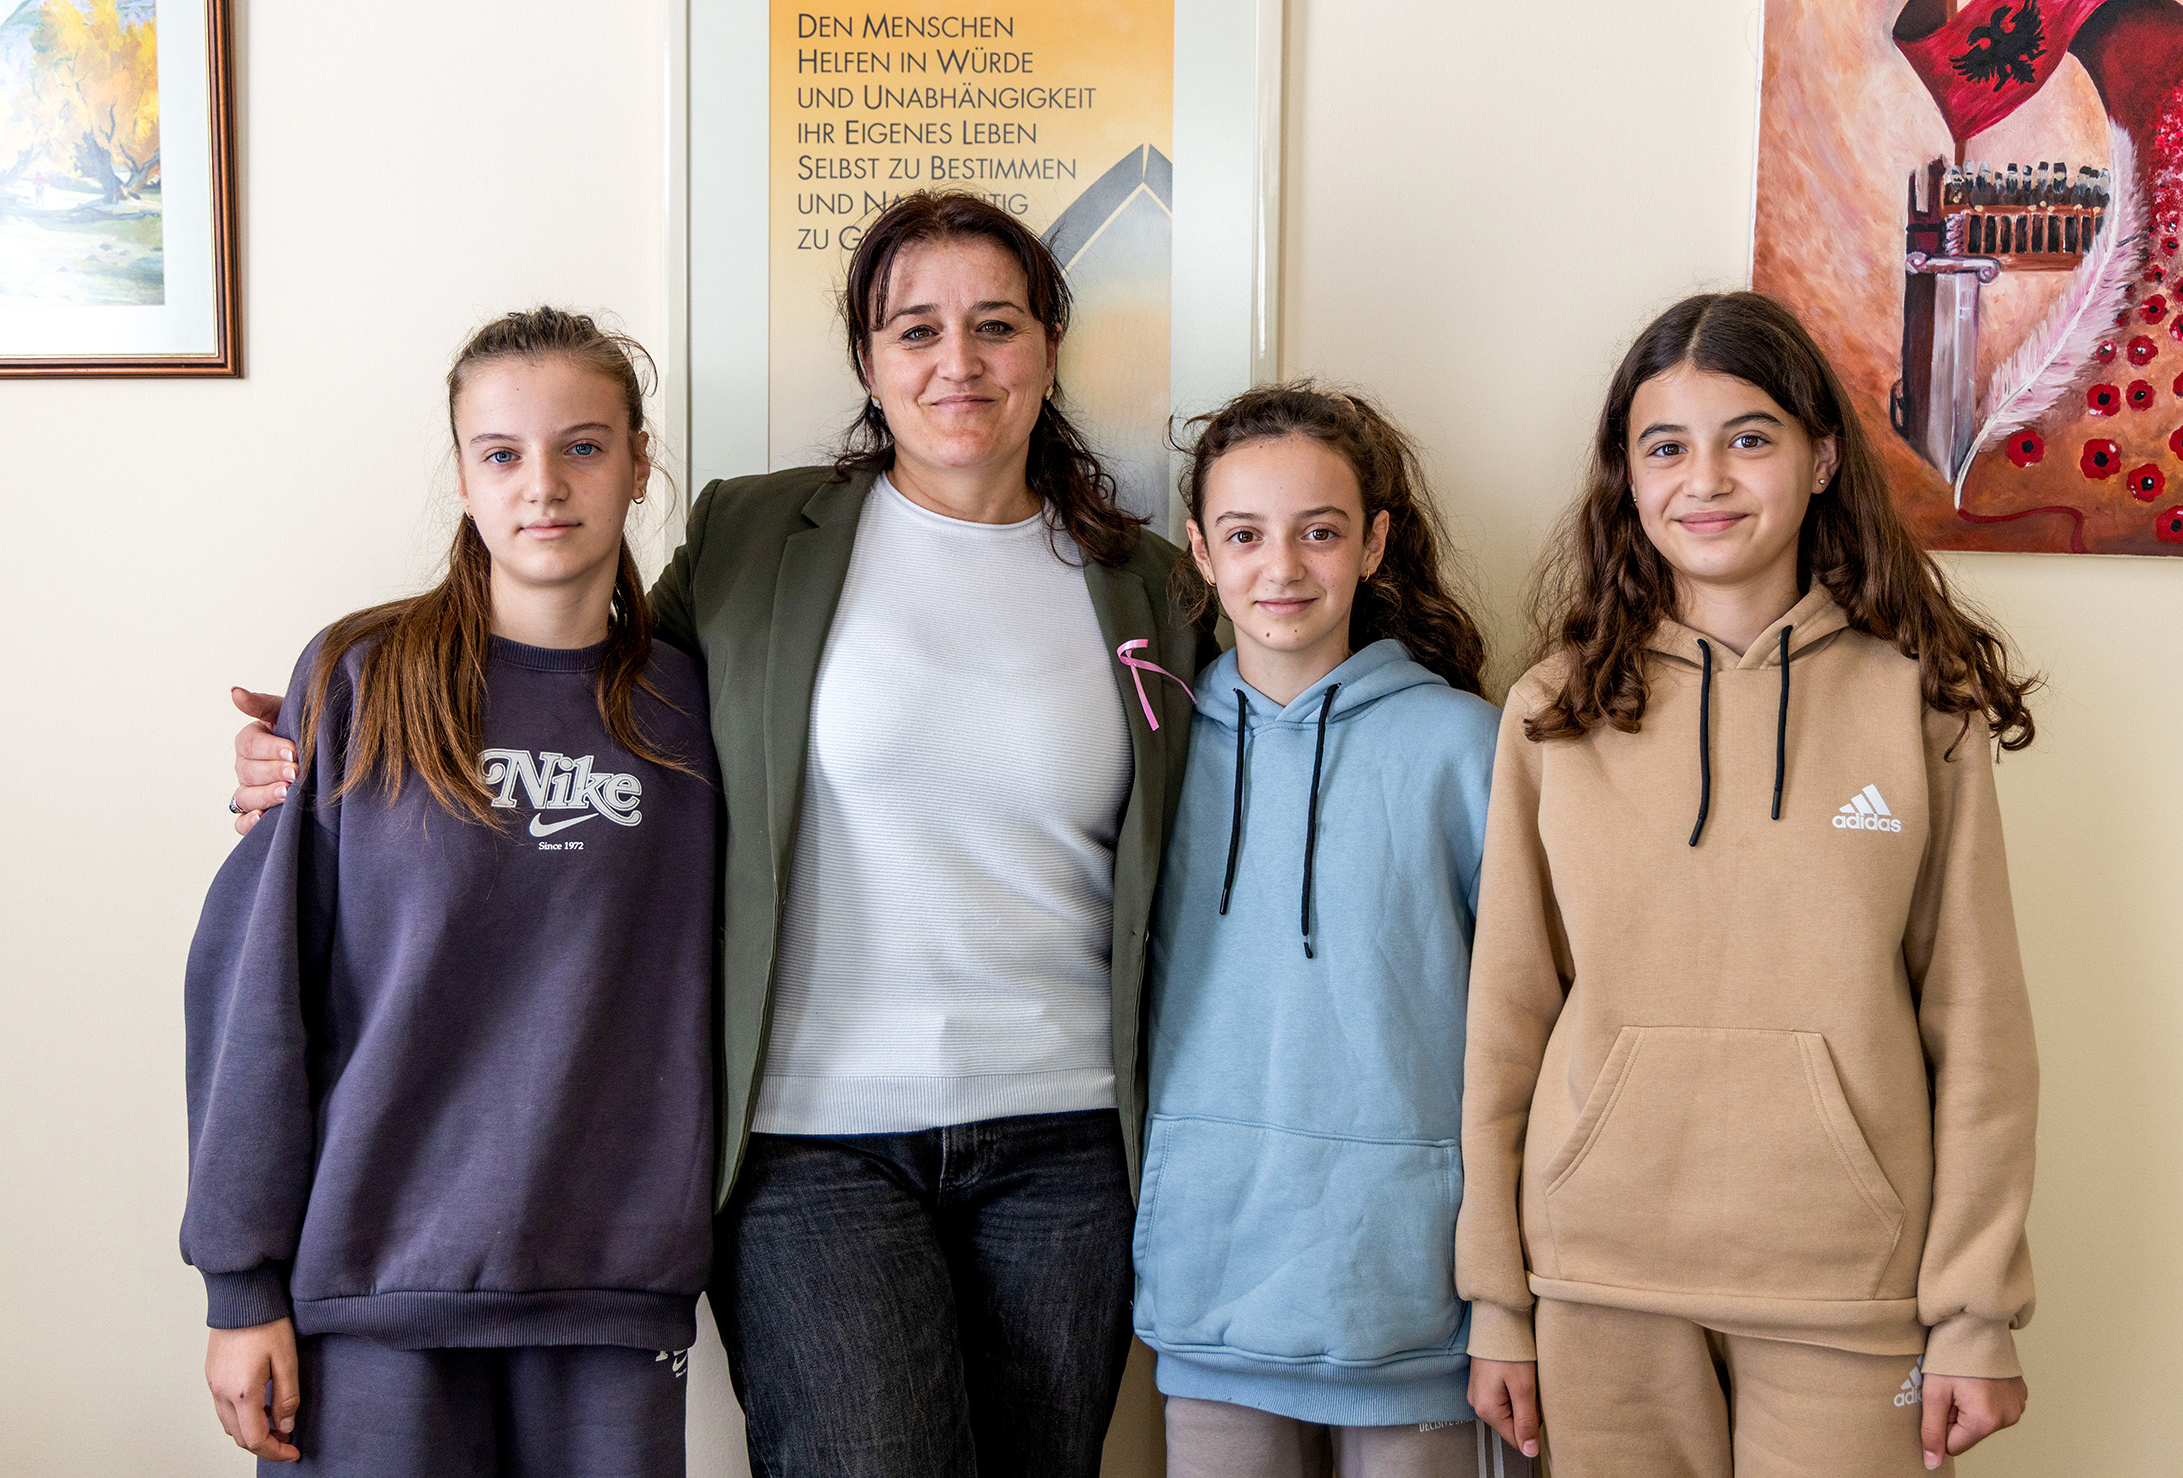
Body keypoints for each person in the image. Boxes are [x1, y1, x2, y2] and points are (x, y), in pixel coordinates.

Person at [227, 192, 1214, 1477]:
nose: (957, 362)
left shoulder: (1150, 581)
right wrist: (314, 754)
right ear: (867, 358)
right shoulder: (754, 537)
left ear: (1048, 344)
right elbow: (576, 688)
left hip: (1069, 1141)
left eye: (996, 324)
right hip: (812, 1137)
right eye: (915, 329)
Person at [1456, 291, 2040, 1476]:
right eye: (1665, 447)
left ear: (1821, 459)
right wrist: (1497, 1299)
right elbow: (1504, 1019)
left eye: (1749, 438)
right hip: (1598, 1277)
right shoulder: (1552, 710)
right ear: (1627, 477)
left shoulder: (1920, 703)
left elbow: (1977, 1025)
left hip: (1849, 1281)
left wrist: (1974, 1311)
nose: (1706, 479)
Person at [183, 308, 720, 1475]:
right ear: (465, 476)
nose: (544, 485)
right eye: (502, 452)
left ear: (639, 463)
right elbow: (256, 987)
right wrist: (239, 1280)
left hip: (611, 1292)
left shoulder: (696, 704)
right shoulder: (362, 677)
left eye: (583, 446)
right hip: (372, 1287)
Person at [1132, 385, 1536, 1478]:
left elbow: (1531, 1031)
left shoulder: (1468, 747)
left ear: (1374, 543)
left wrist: (1506, 1289)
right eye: (1244, 535)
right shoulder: (1155, 751)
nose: (1282, 567)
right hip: (1208, 1289)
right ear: (1200, 552)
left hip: (1415, 1299)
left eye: (1319, 531)